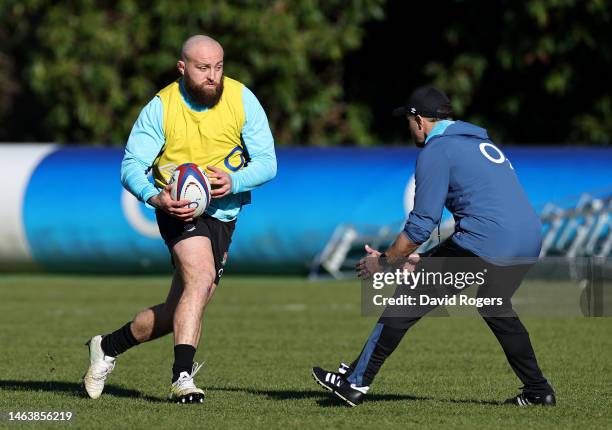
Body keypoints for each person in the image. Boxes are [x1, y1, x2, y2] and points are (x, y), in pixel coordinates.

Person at [311, 86, 555, 407]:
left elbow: (422, 223)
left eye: (409, 121)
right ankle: (538, 391)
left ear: (419, 120)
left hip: (485, 240)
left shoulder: (436, 150)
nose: (409, 128)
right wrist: (421, 259)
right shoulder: (479, 141)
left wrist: (385, 262)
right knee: (494, 306)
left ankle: (355, 384)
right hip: (529, 239)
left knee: (408, 299)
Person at [83, 35, 277, 404]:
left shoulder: (241, 98)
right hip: (178, 209)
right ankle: (181, 377)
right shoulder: (161, 107)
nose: (213, 77)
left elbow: (268, 162)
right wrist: (155, 196)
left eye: (218, 67)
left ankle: (107, 346)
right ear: (182, 67)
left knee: (183, 306)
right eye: (203, 68)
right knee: (201, 277)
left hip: (224, 213)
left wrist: (234, 180)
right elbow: (131, 166)